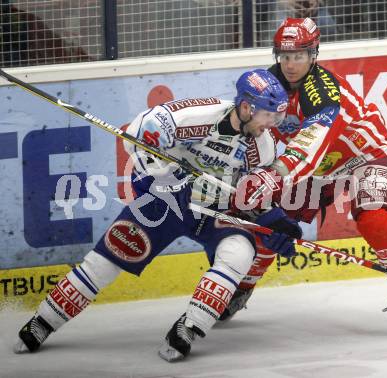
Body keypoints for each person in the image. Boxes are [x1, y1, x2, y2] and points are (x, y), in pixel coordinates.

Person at [13, 69, 304, 361]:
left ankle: (189, 327)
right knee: (108, 258)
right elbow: (139, 133)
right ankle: (44, 321)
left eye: (276, 118)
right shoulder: (196, 116)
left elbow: (248, 195)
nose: (271, 125)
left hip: (213, 211)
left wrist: (271, 221)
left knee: (240, 251)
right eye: (268, 116)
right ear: (246, 107)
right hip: (164, 202)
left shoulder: (262, 146)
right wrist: (161, 175)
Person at [225, 17, 387, 332]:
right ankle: (243, 286)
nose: (291, 64)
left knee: (375, 220)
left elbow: (310, 148)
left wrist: (274, 175)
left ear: (314, 55)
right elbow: (246, 125)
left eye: (300, 56)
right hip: (320, 166)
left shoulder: (323, 91)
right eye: (286, 56)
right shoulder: (266, 85)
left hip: (364, 155)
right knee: (270, 216)